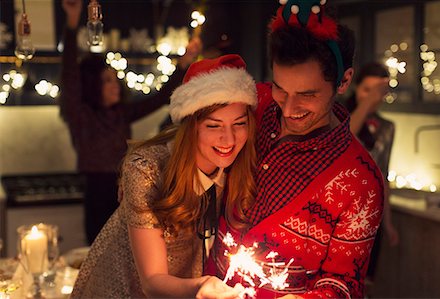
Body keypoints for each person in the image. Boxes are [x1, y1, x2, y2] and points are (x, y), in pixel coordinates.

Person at [203, 2, 384, 298]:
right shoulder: (254, 105)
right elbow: (193, 138)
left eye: (307, 95)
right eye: (281, 89)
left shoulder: (360, 182)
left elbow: (344, 283)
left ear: (344, 81)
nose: (288, 109)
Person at [70, 54, 257, 298]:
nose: (229, 139)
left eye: (239, 124)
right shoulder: (146, 170)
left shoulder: (239, 163)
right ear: (190, 127)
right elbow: (152, 281)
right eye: (214, 125)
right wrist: (201, 287)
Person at [59, 0, 202, 244]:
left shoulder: (122, 112)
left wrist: (184, 64)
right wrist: (72, 23)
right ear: (92, 86)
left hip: (124, 186)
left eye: (115, 80)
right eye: (107, 81)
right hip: (97, 189)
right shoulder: (80, 114)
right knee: (97, 246)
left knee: (127, 248)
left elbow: (160, 98)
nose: (115, 85)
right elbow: (70, 74)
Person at [344, 62, 399, 287]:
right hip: (344, 208)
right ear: (355, 88)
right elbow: (343, 139)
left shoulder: (387, 127)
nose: (373, 97)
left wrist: (388, 223)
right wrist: (366, 103)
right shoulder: (340, 117)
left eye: (378, 92)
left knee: (365, 282)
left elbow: (383, 175)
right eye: (367, 90)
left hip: (372, 214)